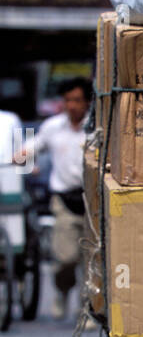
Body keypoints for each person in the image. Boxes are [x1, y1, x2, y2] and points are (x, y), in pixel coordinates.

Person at [16, 78, 92, 320]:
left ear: (87, 102)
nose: (72, 105)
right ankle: (62, 291)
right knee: (65, 258)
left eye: (77, 100)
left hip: (92, 201)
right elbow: (31, 147)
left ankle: (87, 310)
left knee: (91, 260)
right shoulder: (52, 127)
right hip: (63, 201)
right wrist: (26, 161)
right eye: (68, 100)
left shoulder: (96, 127)